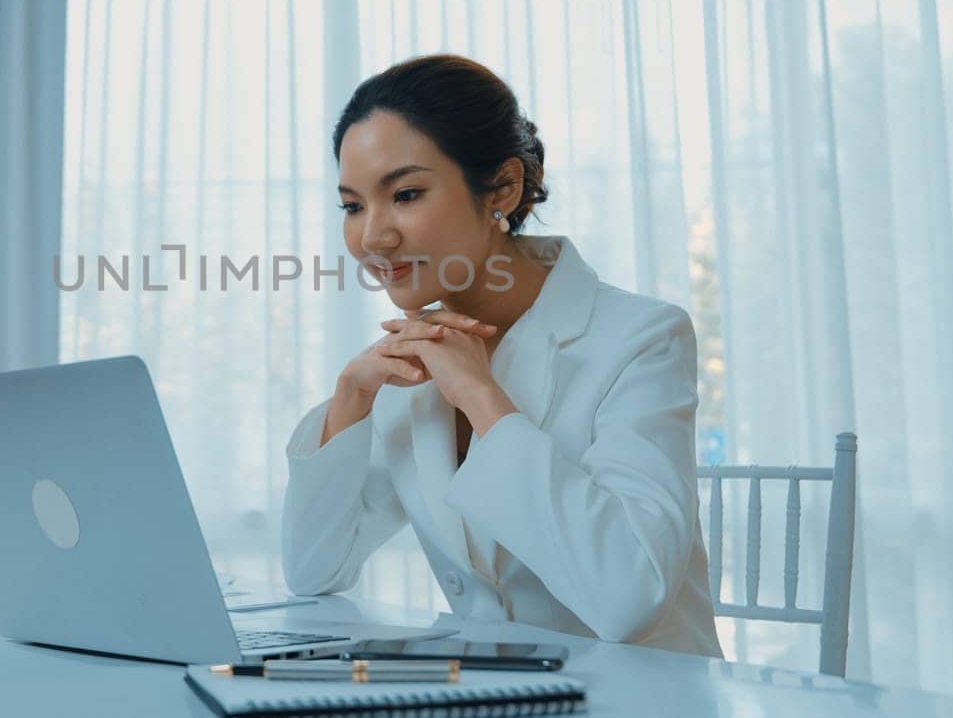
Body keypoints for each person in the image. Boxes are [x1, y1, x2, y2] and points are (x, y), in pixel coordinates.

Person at [281, 54, 723, 657]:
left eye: (405, 194)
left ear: (504, 187)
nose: (373, 236)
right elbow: (313, 573)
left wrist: (482, 399)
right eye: (353, 206)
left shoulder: (641, 338)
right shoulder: (415, 361)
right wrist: (348, 403)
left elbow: (628, 598)